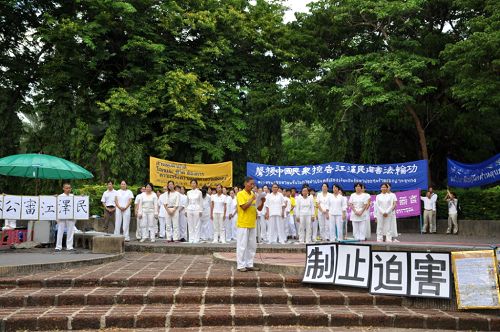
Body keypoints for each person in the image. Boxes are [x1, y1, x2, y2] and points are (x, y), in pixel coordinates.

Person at [236, 176, 265, 272]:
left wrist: (262, 202)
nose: (252, 186)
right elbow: (244, 207)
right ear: (245, 183)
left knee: (252, 245)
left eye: (253, 184)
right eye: (251, 184)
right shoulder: (240, 194)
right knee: (242, 245)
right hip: (243, 223)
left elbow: (258, 208)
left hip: (252, 223)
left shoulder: (253, 194)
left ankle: (249, 264)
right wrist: (251, 198)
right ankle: (240, 265)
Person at [55, 183, 75, 251]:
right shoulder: (60, 196)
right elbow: (57, 207)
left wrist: (82, 197)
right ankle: (58, 247)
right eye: (66, 188)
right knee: (60, 231)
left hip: (70, 216)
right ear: (63, 188)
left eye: (69, 188)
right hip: (62, 216)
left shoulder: (73, 196)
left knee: (70, 231)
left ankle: (69, 246)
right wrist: (57, 217)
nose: (68, 189)